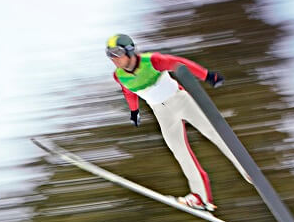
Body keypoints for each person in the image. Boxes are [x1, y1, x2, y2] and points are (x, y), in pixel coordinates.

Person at [106, 33, 251, 211]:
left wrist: (207, 76)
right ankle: (199, 196)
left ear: (129, 51)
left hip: (181, 101)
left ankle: (246, 169)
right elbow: (128, 91)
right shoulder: (119, 75)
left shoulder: (152, 61)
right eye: (110, 55)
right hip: (161, 112)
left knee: (213, 133)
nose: (114, 59)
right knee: (179, 151)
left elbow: (181, 64)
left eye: (116, 53)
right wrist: (134, 111)